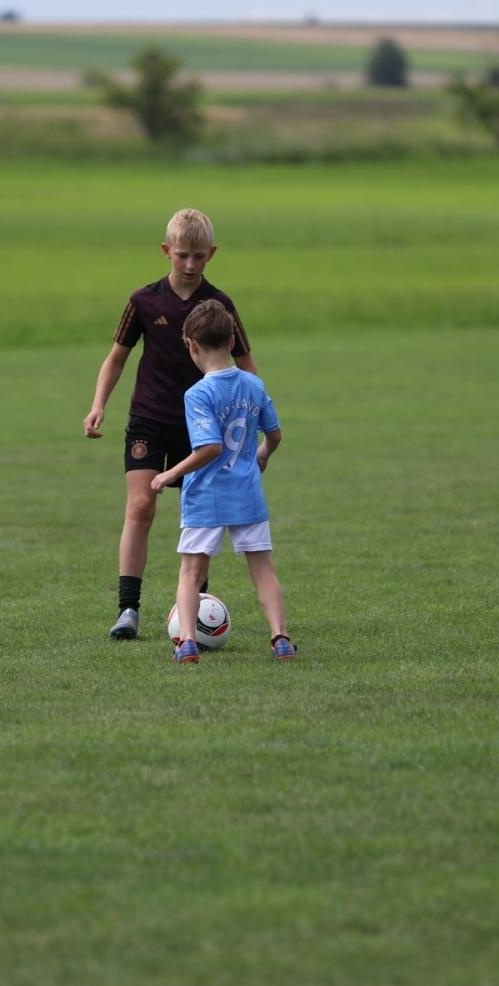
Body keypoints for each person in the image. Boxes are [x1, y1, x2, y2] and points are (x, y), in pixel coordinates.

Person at [83, 208, 256, 639]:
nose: (191, 264)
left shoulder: (220, 306)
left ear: (212, 253)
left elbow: (245, 363)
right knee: (141, 505)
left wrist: (253, 411)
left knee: (199, 516)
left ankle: (194, 607)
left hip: (204, 425)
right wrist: (98, 404)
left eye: (199, 256)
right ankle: (128, 610)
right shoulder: (144, 301)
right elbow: (117, 357)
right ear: (166, 252)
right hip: (149, 417)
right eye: (182, 255)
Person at [150, 300, 295, 663]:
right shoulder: (253, 385)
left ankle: (186, 642)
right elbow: (275, 435)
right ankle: (281, 638)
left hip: (206, 497)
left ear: (192, 346)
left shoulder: (198, 393)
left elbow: (210, 447)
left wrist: (171, 472)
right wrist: (262, 454)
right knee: (263, 570)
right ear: (232, 342)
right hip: (247, 493)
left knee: (191, 572)